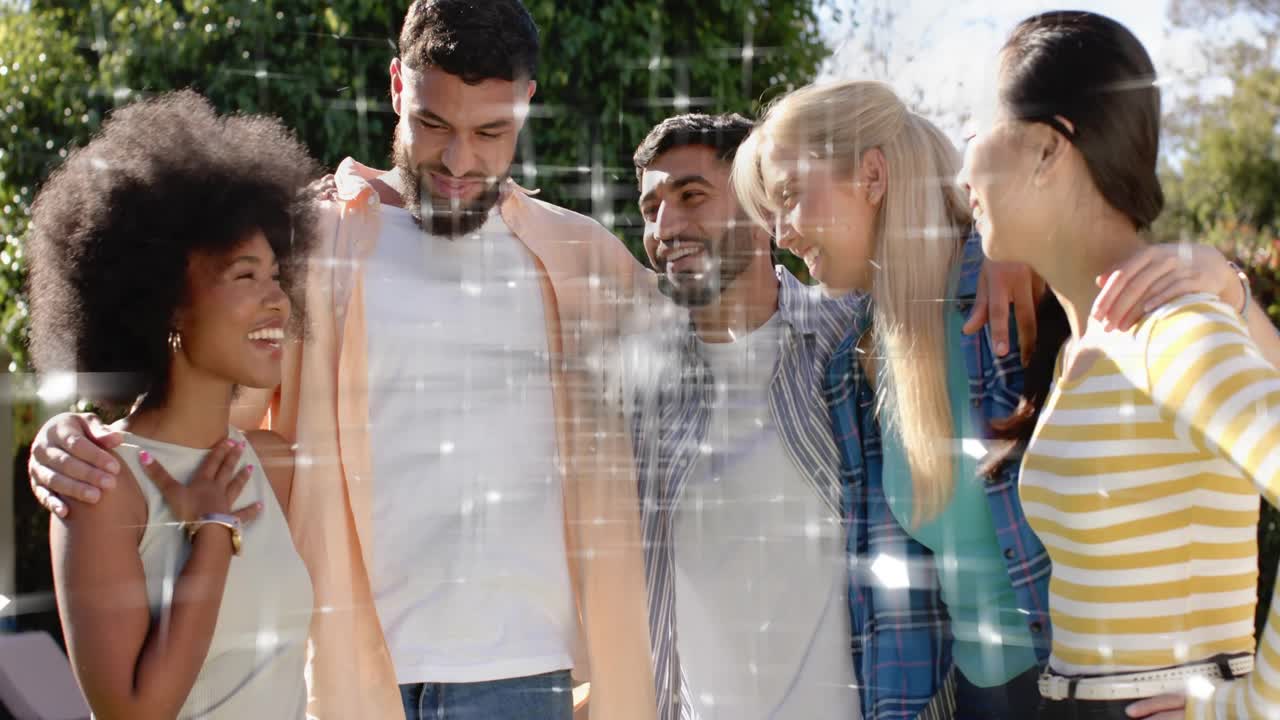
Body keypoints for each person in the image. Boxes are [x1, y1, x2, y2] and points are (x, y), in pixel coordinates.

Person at [24, 1, 657, 718]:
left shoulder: (584, 258)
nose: (458, 161)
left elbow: (729, 354)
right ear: (396, 86)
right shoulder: (305, 242)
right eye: (433, 125)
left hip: (519, 672)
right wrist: (76, 436)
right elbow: (194, 414)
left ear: (526, 104)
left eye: (491, 132)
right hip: (337, 668)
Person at [958, 11, 1280, 720]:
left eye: (972, 130)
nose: (963, 169)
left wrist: (1257, 706)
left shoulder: (1169, 333)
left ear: (1048, 148)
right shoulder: (1086, 347)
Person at [731, 79, 1053, 719]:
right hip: (975, 697)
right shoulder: (857, 360)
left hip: (1083, 686)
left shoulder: (1018, 294)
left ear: (873, 175)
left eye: (790, 197)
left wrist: (1023, 242)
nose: (782, 235)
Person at [27, 90, 318, 718]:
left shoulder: (270, 465)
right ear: (166, 305)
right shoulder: (101, 484)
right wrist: (211, 535)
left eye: (275, 274)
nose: (276, 300)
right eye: (244, 276)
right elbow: (133, 712)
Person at [628, 113, 863, 720]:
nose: (665, 227)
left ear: (761, 210)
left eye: (691, 196)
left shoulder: (852, 337)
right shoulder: (637, 388)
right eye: (650, 207)